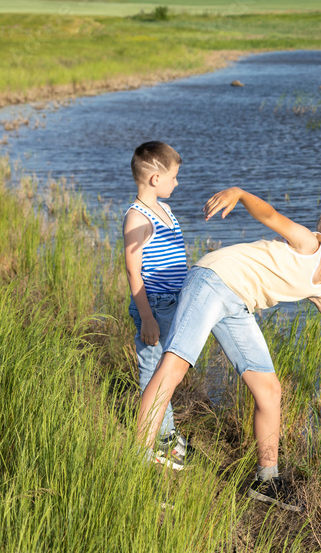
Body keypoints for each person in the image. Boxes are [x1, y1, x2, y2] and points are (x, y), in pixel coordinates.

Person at [135, 187, 321, 509]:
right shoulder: (308, 244)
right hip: (213, 280)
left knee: (269, 390)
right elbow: (269, 215)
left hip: (238, 302)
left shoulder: (320, 288)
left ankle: (266, 480)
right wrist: (239, 194)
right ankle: (139, 463)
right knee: (174, 367)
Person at [123, 141, 189, 470]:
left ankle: (164, 436)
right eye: (174, 177)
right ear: (154, 179)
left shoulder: (165, 209)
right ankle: (155, 444)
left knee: (168, 370)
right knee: (153, 372)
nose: (177, 183)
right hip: (153, 305)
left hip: (172, 302)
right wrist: (147, 317)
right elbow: (134, 271)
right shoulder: (137, 218)